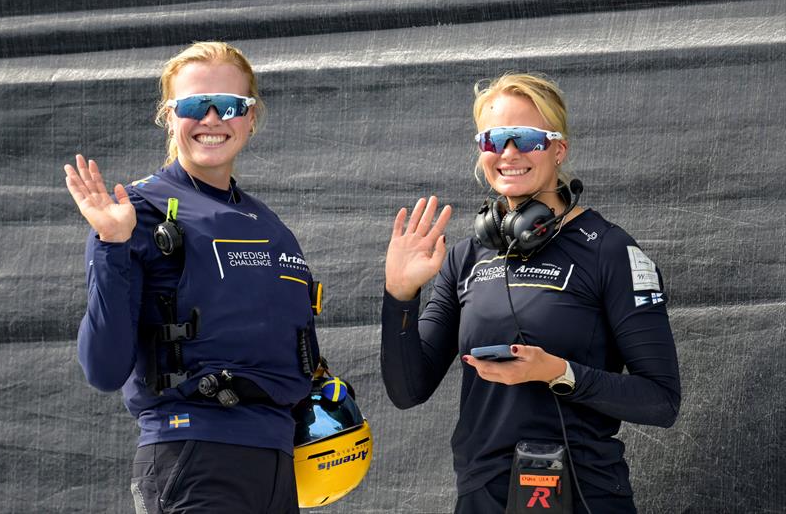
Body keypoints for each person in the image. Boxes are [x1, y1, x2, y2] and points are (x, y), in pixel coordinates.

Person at [381, 73, 681, 513]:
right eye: (494, 139)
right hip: (483, 494)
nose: (508, 153)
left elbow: (661, 401)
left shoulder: (610, 250)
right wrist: (400, 294)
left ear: (559, 148)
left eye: (525, 138)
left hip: (584, 492)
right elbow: (408, 390)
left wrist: (557, 372)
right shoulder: (467, 257)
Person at [64, 41, 319, 514]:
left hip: (278, 465)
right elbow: (103, 369)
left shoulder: (269, 225)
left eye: (228, 105)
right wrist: (110, 246)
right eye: (194, 105)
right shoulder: (135, 214)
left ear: (251, 116)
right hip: (191, 456)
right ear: (168, 115)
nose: (212, 119)